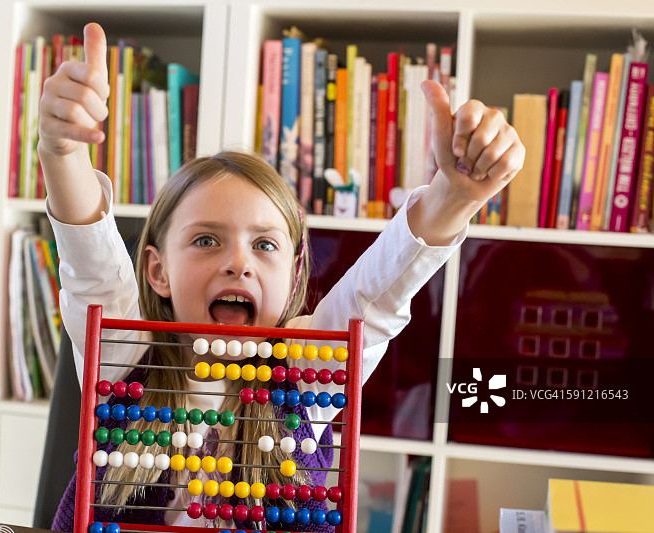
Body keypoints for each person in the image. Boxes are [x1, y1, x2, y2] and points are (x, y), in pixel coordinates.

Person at [39, 22, 523, 533]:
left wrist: (456, 198)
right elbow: (91, 267)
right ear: (157, 271)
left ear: (293, 281)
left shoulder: (307, 372)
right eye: (206, 240)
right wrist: (63, 152)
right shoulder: (124, 358)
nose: (238, 263)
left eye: (264, 244)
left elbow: (378, 296)